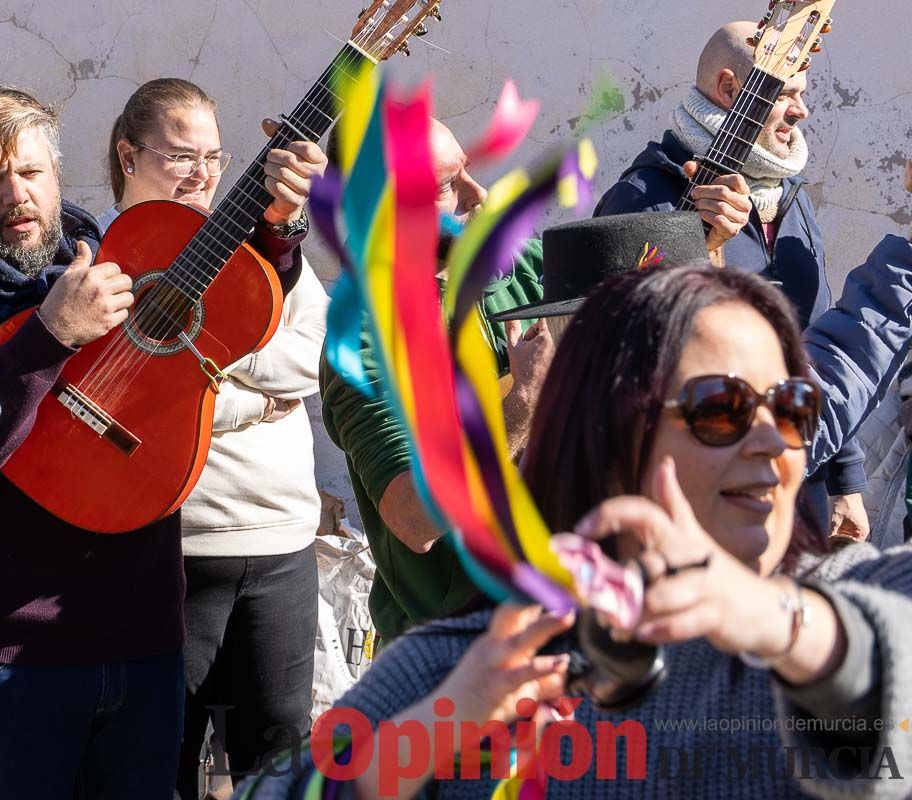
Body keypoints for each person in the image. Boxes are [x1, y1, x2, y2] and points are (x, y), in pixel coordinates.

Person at [237, 258, 912, 799]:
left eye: (792, 405)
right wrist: (433, 733)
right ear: (611, 429)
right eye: (721, 405)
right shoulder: (472, 661)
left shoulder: (835, 606)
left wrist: (786, 626)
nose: (773, 440)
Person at [0, 81, 311, 799]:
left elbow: (229, 304)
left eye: (30, 172)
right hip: (11, 653)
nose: (16, 194)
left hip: (142, 636)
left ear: (57, 175)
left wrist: (277, 224)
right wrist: (50, 337)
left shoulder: (113, 253)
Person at [96, 78, 329, 797]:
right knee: (158, 762)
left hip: (281, 537)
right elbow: (120, 398)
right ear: (128, 156)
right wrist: (253, 397)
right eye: (180, 156)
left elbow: (314, 354)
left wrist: (200, 357)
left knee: (278, 764)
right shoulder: (108, 252)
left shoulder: (262, 244)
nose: (203, 175)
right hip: (174, 546)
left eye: (215, 156)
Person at [594, 20, 868, 541]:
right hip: (694, 504)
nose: (803, 110)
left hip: (792, 486)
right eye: (787, 94)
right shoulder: (642, 199)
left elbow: (811, 346)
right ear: (728, 90)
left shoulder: (790, 199)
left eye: (801, 94)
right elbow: (627, 362)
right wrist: (706, 245)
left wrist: (843, 478)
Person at [319, 118, 552, 644]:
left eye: (468, 171)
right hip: (457, 657)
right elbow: (412, 517)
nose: (479, 196)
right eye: (447, 186)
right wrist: (526, 402)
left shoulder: (522, 267)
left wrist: (708, 241)